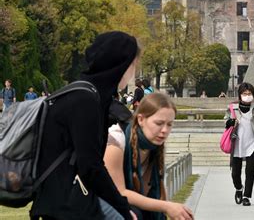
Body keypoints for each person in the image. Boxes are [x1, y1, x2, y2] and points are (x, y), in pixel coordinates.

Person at [31, 31, 140, 220]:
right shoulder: (85, 99)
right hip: (66, 204)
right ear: (120, 65)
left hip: (63, 198)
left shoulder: (86, 93)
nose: (133, 72)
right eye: (133, 65)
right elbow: (90, 166)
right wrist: (122, 207)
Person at [104, 93, 194, 220]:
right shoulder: (115, 140)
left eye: (169, 124)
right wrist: (167, 206)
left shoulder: (154, 145)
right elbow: (120, 192)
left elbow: (150, 192)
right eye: (159, 123)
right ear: (141, 119)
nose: (164, 130)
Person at [225, 82, 254, 207]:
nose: (247, 96)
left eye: (249, 94)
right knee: (235, 173)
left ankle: (246, 196)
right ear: (240, 95)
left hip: (251, 144)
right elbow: (226, 122)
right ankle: (239, 188)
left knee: (250, 171)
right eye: (245, 94)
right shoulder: (232, 109)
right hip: (237, 144)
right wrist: (229, 122)